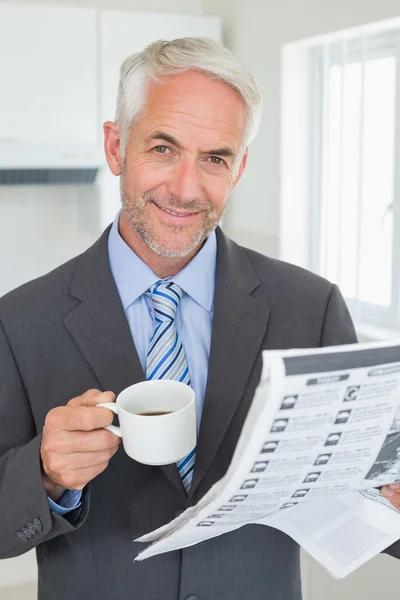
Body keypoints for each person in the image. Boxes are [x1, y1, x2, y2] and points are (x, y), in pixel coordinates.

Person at [1, 37, 399, 600]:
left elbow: (365, 490)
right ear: (116, 147)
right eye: (163, 148)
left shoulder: (311, 308)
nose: (187, 189)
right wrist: (44, 475)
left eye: (215, 158)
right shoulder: (19, 321)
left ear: (238, 168)